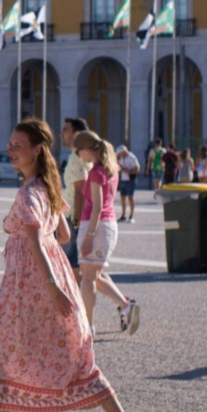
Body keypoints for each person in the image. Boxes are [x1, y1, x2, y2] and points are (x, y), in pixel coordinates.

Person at [0, 119, 147, 412]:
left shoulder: (29, 192)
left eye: (17, 145)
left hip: (29, 286)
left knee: (10, 352)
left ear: (36, 149)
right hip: (40, 281)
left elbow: (36, 242)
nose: (10, 151)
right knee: (50, 353)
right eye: (10, 145)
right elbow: (64, 236)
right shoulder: (46, 186)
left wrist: (51, 286)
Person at [73, 131, 140, 334]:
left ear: (86, 150)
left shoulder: (96, 172)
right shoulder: (111, 169)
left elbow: (97, 206)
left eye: (78, 152)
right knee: (94, 274)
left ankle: (88, 325)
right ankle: (126, 305)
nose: (79, 156)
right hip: (107, 225)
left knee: (89, 279)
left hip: (97, 225)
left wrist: (89, 236)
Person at [58, 119, 89, 271]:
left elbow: (79, 192)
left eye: (65, 130)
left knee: (71, 265)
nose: (61, 133)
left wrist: (77, 223)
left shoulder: (78, 160)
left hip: (74, 218)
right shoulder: (75, 157)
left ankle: (73, 295)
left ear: (76, 134)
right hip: (72, 216)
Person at [115, 144, 140, 223]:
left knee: (130, 197)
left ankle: (131, 215)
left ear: (124, 152)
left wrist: (128, 171)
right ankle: (123, 215)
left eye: (120, 153)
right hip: (123, 179)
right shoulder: (120, 158)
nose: (119, 155)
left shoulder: (131, 157)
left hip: (131, 179)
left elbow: (137, 169)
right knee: (122, 198)